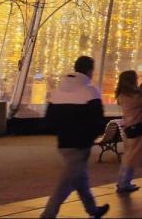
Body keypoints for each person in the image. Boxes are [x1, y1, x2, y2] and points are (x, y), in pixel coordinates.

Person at [40, 56, 110, 219]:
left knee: (79, 177)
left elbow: (49, 119)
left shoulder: (58, 91)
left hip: (64, 141)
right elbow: (97, 119)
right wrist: (92, 135)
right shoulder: (89, 91)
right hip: (81, 142)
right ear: (89, 70)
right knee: (66, 181)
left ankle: (92, 209)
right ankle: (48, 214)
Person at [115, 70, 142, 194]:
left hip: (129, 126)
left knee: (129, 155)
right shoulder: (133, 96)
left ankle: (123, 181)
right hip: (136, 127)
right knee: (130, 157)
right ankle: (123, 182)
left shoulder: (123, 95)